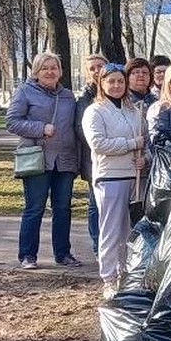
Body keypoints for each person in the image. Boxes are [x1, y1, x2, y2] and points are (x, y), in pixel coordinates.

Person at [7, 51, 82, 270]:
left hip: (65, 160)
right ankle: (28, 255)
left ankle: (63, 253)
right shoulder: (25, 92)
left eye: (54, 68)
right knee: (34, 208)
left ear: (60, 71)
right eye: (45, 68)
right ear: (36, 71)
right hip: (37, 159)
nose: (50, 72)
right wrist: (40, 129)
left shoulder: (68, 95)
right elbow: (12, 122)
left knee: (63, 208)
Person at [82, 64, 147, 298]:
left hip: (135, 176)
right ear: (102, 83)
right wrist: (131, 145)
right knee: (111, 230)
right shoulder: (95, 111)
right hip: (110, 176)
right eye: (111, 81)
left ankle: (126, 274)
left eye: (120, 81)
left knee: (129, 230)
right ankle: (109, 277)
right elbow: (99, 144)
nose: (116, 85)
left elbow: (146, 142)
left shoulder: (134, 110)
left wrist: (145, 158)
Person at [75, 53, 107, 256]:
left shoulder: (114, 90)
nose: (96, 71)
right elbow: (80, 128)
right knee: (95, 202)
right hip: (93, 157)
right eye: (92, 68)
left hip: (115, 159)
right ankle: (97, 245)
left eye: (99, 67)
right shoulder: (85, 98)